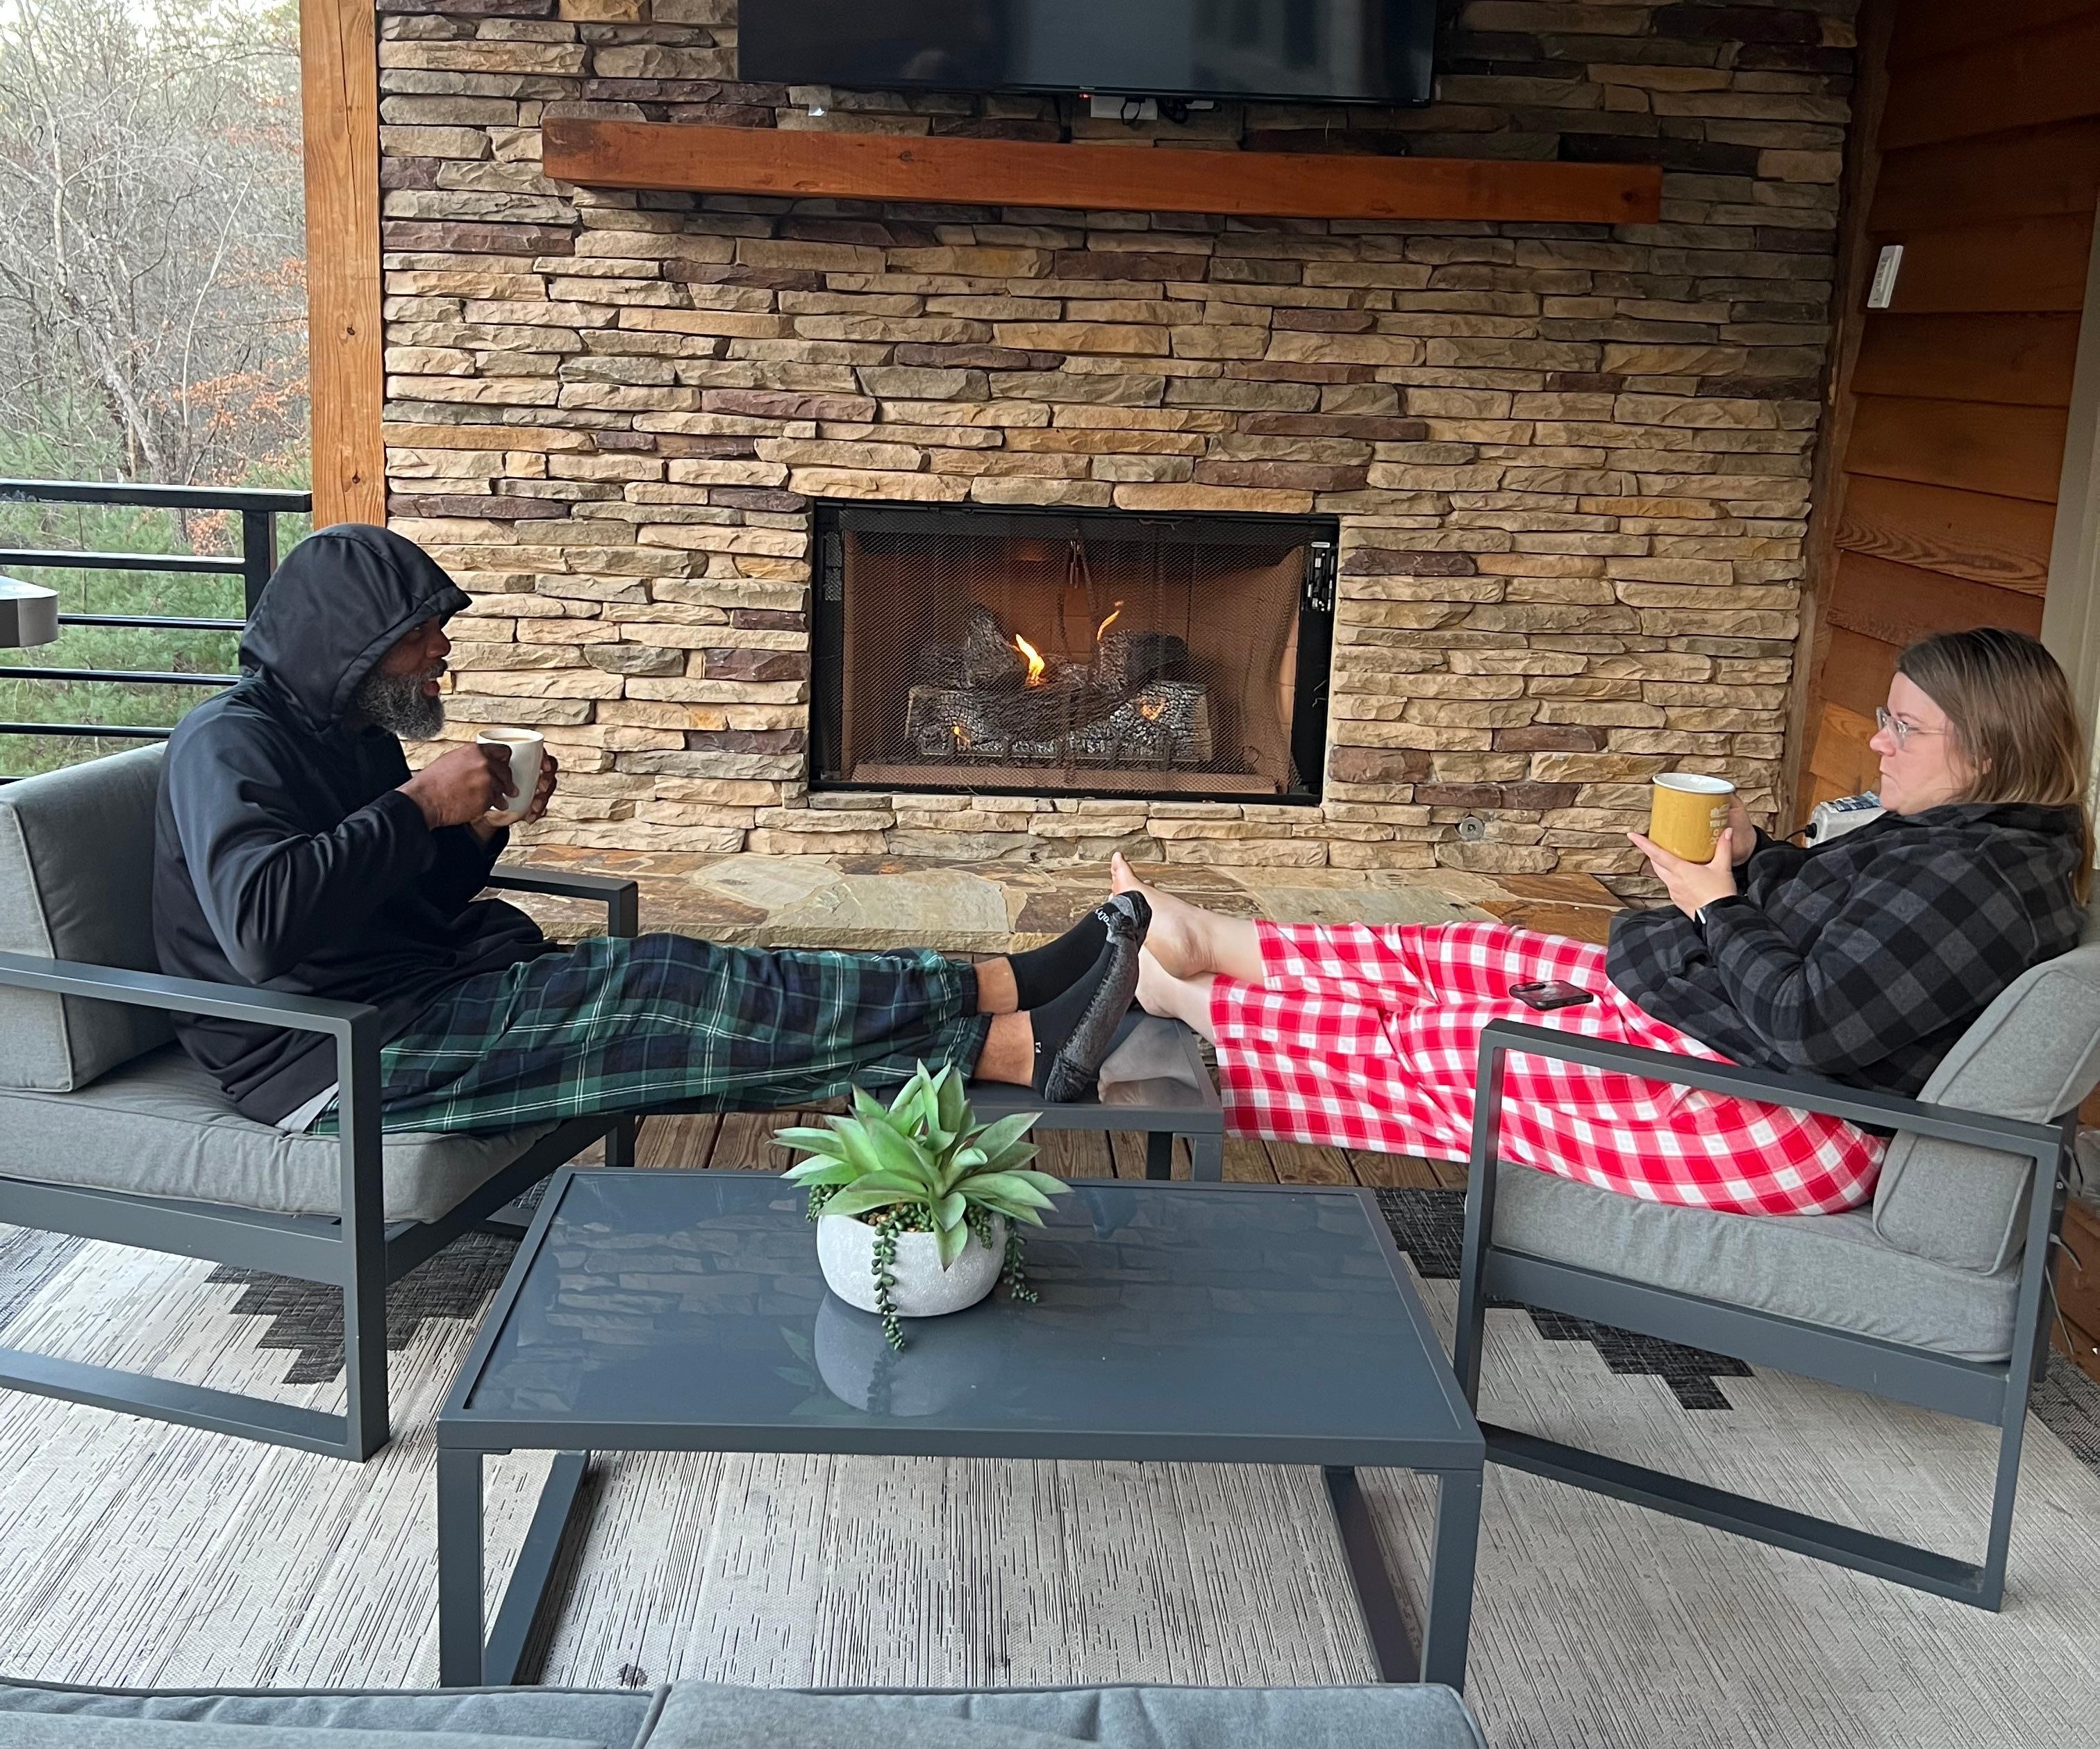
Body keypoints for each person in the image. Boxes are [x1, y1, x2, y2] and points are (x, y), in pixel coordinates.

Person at [153, 526, 1143, 1136]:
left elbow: (387, 907)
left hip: (399, 995)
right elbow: (261, 927)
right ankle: (1006, 1017)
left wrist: (477, 830)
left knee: (694, 1001)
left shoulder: (356, 732)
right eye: (422, 633)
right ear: (353, 644)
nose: (442, 650)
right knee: (665, 989)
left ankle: (1010, 1024)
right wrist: (420, 806)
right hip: (327, 1058)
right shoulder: (225, 746)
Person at [1119, 629, 2092, 1216]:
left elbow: (1815, 1025)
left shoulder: (1974, 882)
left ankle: (1192, 1002)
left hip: (1782, 1121)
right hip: (1732, 1045)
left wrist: (1712, 904)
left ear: (1993, 746)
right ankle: (1215, 942)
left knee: (1446, 1038)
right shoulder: (1965, 842)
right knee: (1478, 951)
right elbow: (1849, 941)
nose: (1878, 740)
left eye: (1905, 729)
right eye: (1885, 714)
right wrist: (1758, 861)